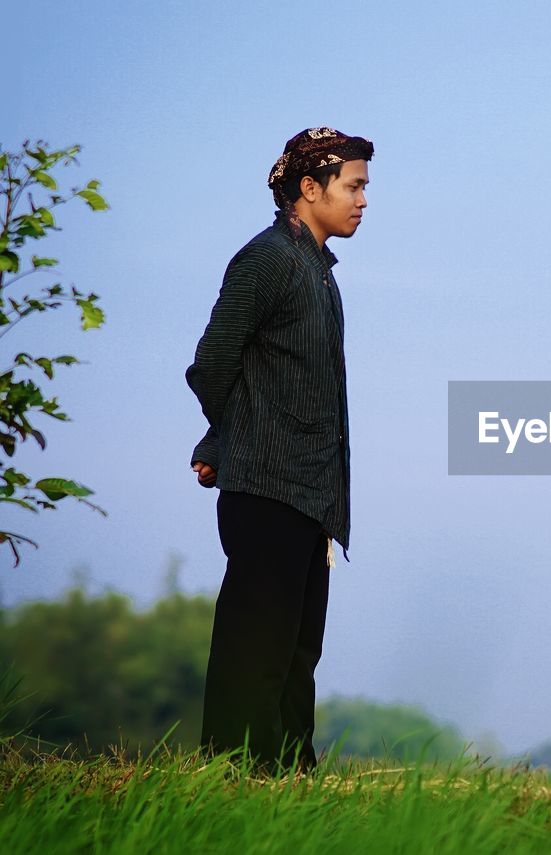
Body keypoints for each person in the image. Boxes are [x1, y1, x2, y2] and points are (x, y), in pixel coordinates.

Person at [185, 127, 374, 774]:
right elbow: (212, 364)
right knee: (255, 648)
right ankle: (232, 779)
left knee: (297, 653)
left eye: (363, 188)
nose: (362, 200)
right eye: (353, 187)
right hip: (266, 488)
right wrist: (229, 437)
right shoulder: (267, 260)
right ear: (309, 188)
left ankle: (291, 782)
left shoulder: (316, 271)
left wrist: (218, 437)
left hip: (310, 495)